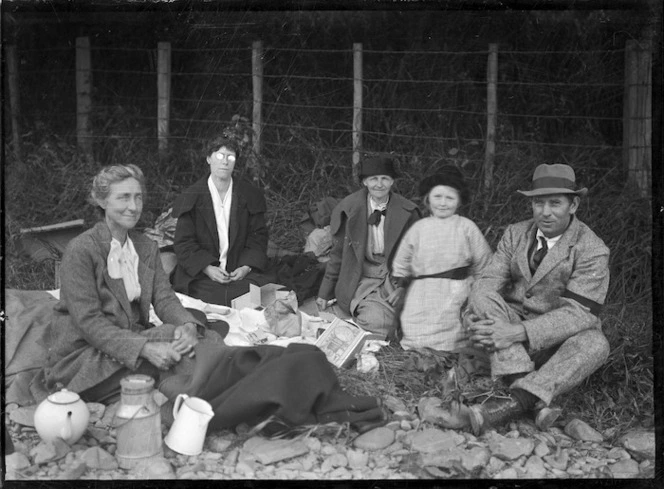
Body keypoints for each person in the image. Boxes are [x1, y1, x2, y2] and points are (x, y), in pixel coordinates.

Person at [30, 165, 221, 404]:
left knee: (201, 339)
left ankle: (196, 383)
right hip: (86, 353)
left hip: (133, 337)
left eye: (138, 197)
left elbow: (164, 298)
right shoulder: (82, 250)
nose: (133, 206)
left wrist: (188, 325)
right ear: (102, 201)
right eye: (123, 197)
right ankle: (203, 393)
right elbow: (88, 322)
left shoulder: (145, 247)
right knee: (186, 355)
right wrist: (144, 348)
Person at [454, 163, 610, 434]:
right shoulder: (515, 232)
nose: (545, 212)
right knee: (480, 298)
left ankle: (513, 402)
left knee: (596, 344)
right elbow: (487, 283)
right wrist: (494, 324)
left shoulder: (592, 248)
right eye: (539, 203)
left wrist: (516, 333)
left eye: (555, 203)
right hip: (506, 329)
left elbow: (579, 313)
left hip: (553, 341)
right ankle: (531, 397)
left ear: (573, 206)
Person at [316, 156, 421, 339]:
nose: (379, 184)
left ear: (392, 181)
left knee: (409, 320)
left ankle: (374, 318)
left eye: (385, 179)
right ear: (365, 181)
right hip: (361, 276)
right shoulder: (348, 208)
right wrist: (325, 292)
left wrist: (404, 287)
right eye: (373, 179)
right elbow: (338, 254)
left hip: (394, 277)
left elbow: (417, 258)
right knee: (378, 322)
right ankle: (362, 315)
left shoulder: (408, 212)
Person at [391, 166, 492, 351]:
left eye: (450, 198)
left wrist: (478, 286)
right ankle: (418, 347)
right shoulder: (419, 228)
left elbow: (483, 261)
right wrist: (401, 282)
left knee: (453, 322)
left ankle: (450, 350)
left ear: (459, 201)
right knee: (416, 321)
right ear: (427, 199)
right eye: (437, 197)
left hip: (455, 289)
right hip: (422, 290)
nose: (443, 203)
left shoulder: (466, 227)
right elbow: (402, 259)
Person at [171, 136, 269, 306]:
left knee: (254, 291)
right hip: (203, 273)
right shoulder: (191, 196)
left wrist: (245, 267)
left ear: (235, 162)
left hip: (239, 269)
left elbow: (258, 237)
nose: (225, 162)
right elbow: (184, 242)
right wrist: (207, 268)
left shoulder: (249, 194)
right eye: (219, 156)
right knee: (212, 296)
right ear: (209, 158)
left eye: (230, 157)